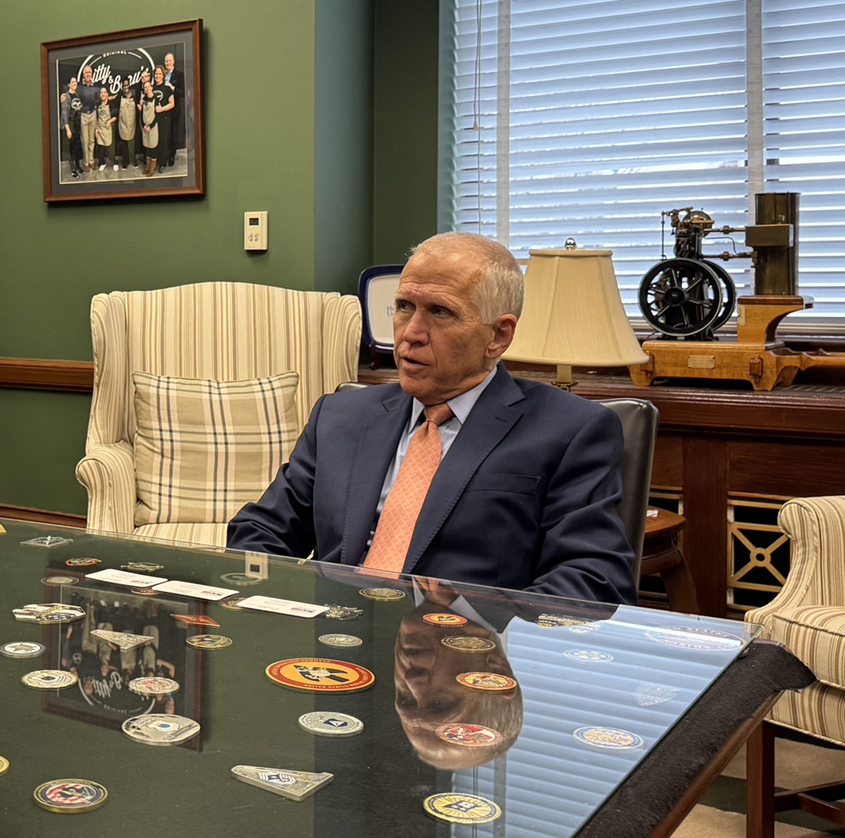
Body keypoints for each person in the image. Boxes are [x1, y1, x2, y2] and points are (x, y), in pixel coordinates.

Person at [227, 232, 635, 605]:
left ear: (499, 336)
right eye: (404, 306)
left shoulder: (568, 430)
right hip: (332, 653)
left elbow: (594, 579)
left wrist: (471, 628)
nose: (411, 333)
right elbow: (260, 532)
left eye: (440, 312)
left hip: (465, 663)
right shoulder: (340, 415)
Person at [75, 64, 99, 173]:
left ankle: (91, 161)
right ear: (83, 74)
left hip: (93, 114)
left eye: (89, 72)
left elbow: (98, 100)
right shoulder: (80, 86)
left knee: (92, 140)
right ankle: (86, 163)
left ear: (92, 73)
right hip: (84, 115)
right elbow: (74, 97)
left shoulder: (95, 86)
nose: (88, 74)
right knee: (85, 141)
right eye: (86, 72)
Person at [150, 65, 174, 174]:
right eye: (156, 74)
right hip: (153, 120)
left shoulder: (167, 89)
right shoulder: (151, 88)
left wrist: (162, 109)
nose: (158, 76)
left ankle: (163, 164)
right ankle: (154, 162)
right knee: (154, 141)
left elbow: (172, 104)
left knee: (163, 141)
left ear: (163, 75)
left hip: (164, 119)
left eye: (160, 74)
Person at [59, 75, 82, 179]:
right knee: (71, 149)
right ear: (68, 84)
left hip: (77, 125)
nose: (74, 84)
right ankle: (73, 169)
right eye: (72, 82)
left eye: (75, 82)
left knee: (77, 147)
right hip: (70, 125)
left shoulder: (77, 94)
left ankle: (78, 166)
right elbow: (64, 114)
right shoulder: (66, 96)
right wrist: (68, 130)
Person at [164, 51, 184, 167]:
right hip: (163, 110)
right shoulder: (162, 74)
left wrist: (173, 89)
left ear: (173, 62)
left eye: (170, 60)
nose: (168, 63)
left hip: (174, 110)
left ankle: (171, 156)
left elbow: (183, 92)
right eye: (166, 61)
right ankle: (165, 154)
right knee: (165, 134)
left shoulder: (179, 75)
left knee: (173, 135)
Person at [115, 83, 138, 173]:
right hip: (123, 123)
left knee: (132, 143)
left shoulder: (134, 96)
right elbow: (115, 107)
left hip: (132, 122)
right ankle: (125, 161)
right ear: (122, 87)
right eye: (124, 86)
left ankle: (133, 160)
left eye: (127, 85)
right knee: (123, 143)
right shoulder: (119, 97)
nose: (126, 87)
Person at [138, 71, 158, 175]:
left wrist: (150, 126)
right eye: (145, 87)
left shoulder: (156, 99)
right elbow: (142, 114)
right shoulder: (143, 100)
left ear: (151, 87)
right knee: (147, 147)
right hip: (145, 127)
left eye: (148, 86)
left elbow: (157, 115)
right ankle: (147, 166)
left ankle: (152, 169)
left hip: (153, 127)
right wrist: (144, 125)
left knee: (153, 147)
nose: (147, 88)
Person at [94, 86, 114, 172]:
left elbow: (115, 115)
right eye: (101, 92)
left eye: (104, 92)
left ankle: (114, 163)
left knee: (109, 148)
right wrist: (96, 129)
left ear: (107, 94)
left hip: (107, 128)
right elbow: (96, 117)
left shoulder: (111, 103)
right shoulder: (98, 104)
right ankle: (102, 163)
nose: (102, 94)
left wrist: (109, 122)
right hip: (100, 128)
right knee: (100, 148)